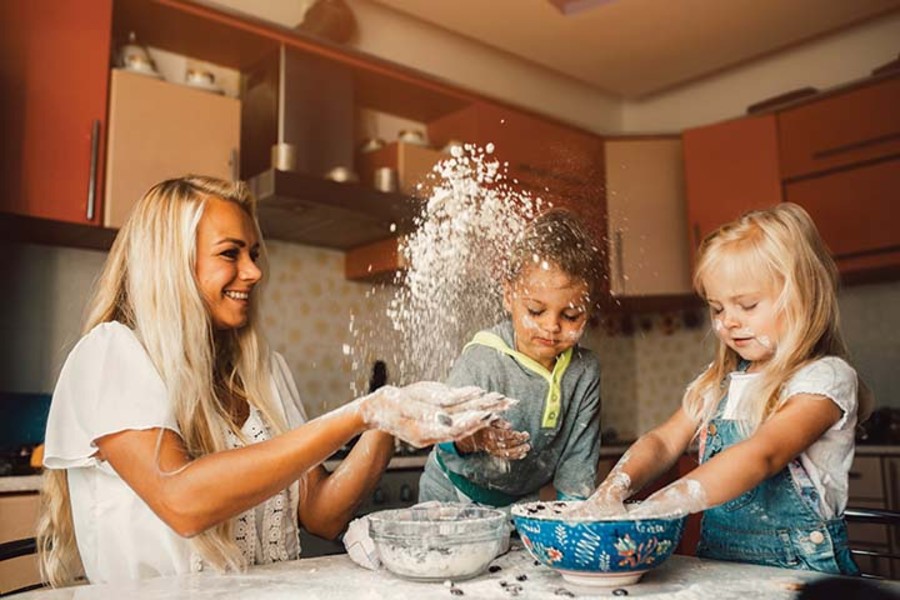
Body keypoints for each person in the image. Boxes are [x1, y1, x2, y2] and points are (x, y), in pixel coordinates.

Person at [36, 175, 513, 586]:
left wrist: (389, 419)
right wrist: (360, 412)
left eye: (255, 253)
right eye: (231, 253)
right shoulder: (113, 353)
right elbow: (182, 500)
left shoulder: (263, 370)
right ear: (171, 264)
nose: (255, 271)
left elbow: (322, 515)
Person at [573, 202, 872, 575]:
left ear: (802, 296)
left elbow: (763, 455)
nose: (728, 322)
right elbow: (664, 442)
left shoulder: (824, 378)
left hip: (802, 575)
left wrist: (658, 505)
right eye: (717, 309)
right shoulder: (719, 381)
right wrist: (615, 488)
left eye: (746, 305)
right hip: (721, 570)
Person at [418, 209, 603, 507]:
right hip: (449, 498)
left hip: (518, 506)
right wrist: (476, 438)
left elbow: (577, 463)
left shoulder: (584, 372)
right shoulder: (484, 357)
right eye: (535, 311)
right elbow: (442, 430)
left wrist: (574, 516)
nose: (552, 326)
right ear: (508, 295)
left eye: (570, 315)